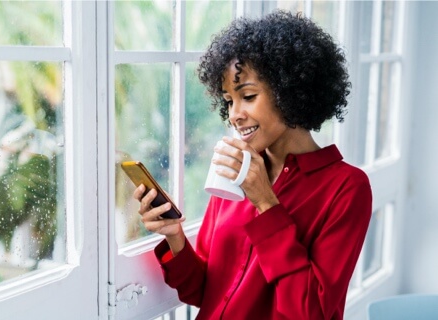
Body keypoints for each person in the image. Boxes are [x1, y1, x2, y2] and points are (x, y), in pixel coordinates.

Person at [133, 11, 372, 320]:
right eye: (229, 101)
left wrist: (265, 202)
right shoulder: (235, 171)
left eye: (247, 96)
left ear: (291, 91)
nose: (234, 114)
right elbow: (203, 291)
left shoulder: (347, 188)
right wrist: (174, 236)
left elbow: (310, 312)